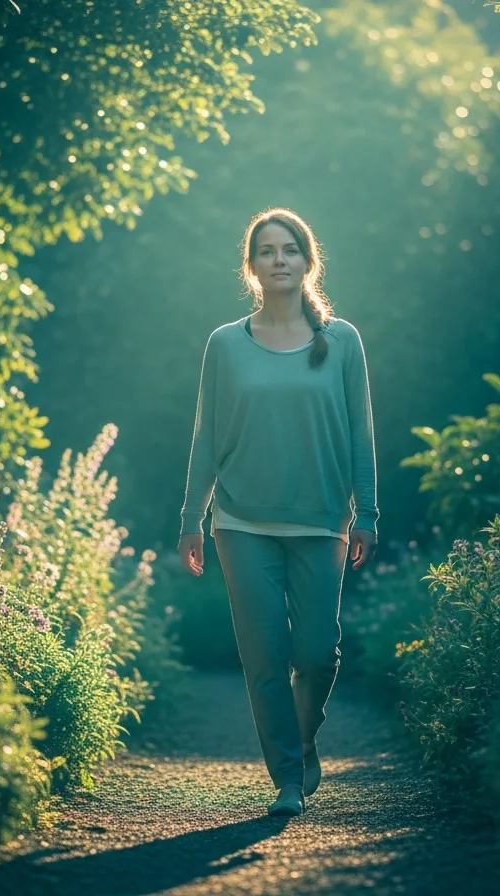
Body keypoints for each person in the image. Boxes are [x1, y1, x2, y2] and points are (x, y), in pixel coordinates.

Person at [177, 207, 379, 818]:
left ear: (307, 259)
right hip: (241, 523)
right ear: (253, 266)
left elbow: (361, 435)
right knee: (265, 655)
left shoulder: (341, 340)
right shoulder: (224, 344)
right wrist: (193, 517)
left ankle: (304, 737)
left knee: (317, 653)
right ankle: (287, 778)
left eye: (289, 248)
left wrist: (366, 511)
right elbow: (205, 436)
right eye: (267, 250)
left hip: (322, 521)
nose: (279, 259)